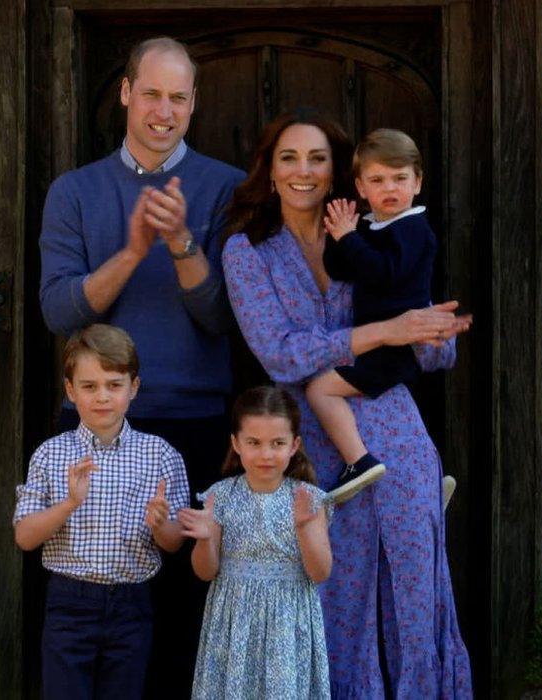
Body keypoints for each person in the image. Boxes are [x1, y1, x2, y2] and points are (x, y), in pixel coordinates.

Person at [221, 109, 474, 698]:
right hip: (308, 443)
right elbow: (281, 355)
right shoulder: (247, 251)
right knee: (332, 594)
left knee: (414, 588)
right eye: (289, 158)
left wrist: (433, 335)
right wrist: (382, 333)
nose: (303, 171)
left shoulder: (375, 230)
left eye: (317, 159)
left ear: (340, 174)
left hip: (394, 426)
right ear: (271, 169)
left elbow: (423, 338)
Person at [37, 36, 244, 696]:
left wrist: (182, 243)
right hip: (96, 428)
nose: (163, 110)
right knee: (95, 609)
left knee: (185, 609)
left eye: (177, 97)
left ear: (194, 105)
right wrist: (130, 252)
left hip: (195, 425)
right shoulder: (74, 191)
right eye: (151, 93)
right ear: (125, 93)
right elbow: (58, 312)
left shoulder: (225, 189)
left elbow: (223, 319)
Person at [13, 324, 189, 699]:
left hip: (131, 604)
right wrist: (70, 503)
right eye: (90, 386)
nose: (102, 396)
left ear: (134, 388)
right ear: (70, 390)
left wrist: (160, 525)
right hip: (69, 603)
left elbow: (174, 544)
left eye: (114, 384)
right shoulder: (50, 454)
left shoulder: (160, 455)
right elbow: (25, 537)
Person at [308, 128, 472, 504]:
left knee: (320, 389)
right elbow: (340, 269)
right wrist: (338, 235)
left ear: (417, 182)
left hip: (394, 346)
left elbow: (384, 274)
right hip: (380, 341)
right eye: (378, 180)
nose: (390, 188)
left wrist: (350, 238)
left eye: (400, 178)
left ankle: (358, 462)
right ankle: (428, 486)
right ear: (361, 188)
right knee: (402, 419)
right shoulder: (372, 225)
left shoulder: (414, 229)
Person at [178, 386, 333, 699]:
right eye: (254, 443)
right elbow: (206, 572)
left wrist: (304, 527)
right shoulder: (219, 496)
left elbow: (320, 573)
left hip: (288, 621)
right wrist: (205, 540)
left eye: (278, 443)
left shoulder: (308, 499)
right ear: (236, 443)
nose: (266, 454)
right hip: (234, 620)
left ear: (294, 445)